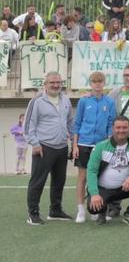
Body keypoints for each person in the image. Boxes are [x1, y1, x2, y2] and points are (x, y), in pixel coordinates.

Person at [25, 72, 75, 225]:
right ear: (45, 84)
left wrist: (73, 142)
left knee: (59, 181)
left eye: (58, 82)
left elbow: (70, 123)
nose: (56, 85)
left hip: (61, 148)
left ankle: (55, 210)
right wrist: (35, 143)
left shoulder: (65, 100)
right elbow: (28, 126)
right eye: (52, 82)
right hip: (43, 148)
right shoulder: (37, 101)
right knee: (37, 181)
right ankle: (33, 213)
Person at [85, 116, 129, 226]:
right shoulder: (101, 147)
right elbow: (91, 171)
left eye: (124, 127)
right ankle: (102, 212)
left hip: (125, 188)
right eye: (118, 127)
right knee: (93, 208)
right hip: (104, 189)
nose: (121, 130)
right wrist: (94, 194)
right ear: (113, 128)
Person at [73, 71, 116, 223]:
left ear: (104, 83)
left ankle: (96, 209)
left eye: (100, 81)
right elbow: (77, 124)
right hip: (84, 144)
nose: (97, 84)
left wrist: (110, 143)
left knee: (99, 178)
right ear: (90, 83)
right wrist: (75, 145)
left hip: (101, 145)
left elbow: (112, 123)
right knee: (83, 178)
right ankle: (80, 210)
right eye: (94, 81)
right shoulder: (83, 101)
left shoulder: (109, 102)